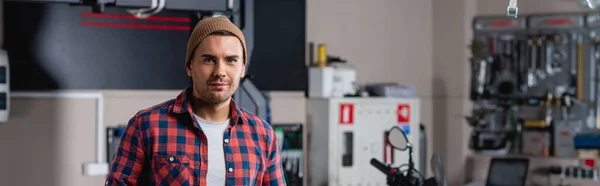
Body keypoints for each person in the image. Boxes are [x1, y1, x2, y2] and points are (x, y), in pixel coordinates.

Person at [105, 16, 286, 186]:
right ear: (190, 66)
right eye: (209, 60)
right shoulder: (146, 126)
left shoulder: (263, 136)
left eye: (231, 60)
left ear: (243, 68)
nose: (220, 71)